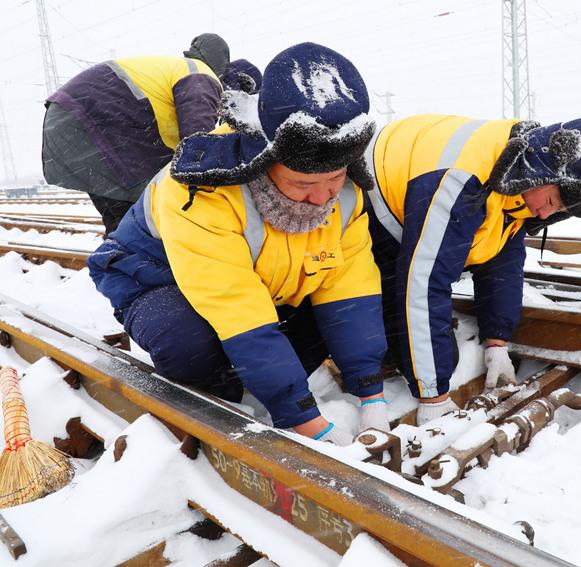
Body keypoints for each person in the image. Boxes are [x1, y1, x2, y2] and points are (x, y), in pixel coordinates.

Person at [87, 42, 387, 445]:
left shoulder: (346, 195)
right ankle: (224, 401)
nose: (322, 198)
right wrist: (311, 425)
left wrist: (372, 394)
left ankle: (257, 377)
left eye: (334, 179)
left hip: (257, 280)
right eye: (303, 184)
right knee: (188, 345)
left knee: (317, 331)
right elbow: (236, 305)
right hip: (157, 276)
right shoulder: (205, 189)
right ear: (265, 160)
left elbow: (350, 291)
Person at [363, 115, 581, 424]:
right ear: (543, 171)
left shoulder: (519, 177)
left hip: (422, 189)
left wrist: (496, 341)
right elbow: (424, 282)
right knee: (395, 328)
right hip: (374, 197)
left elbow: (502, 261)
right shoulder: (463, 182)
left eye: (559, 211)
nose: (545, 212)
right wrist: (433, 396)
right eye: (552, 200)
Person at [41, 33, 230, 233]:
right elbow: (197, 142)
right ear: (220, 66)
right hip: (92, 122)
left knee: (124, 217)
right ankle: (132, 257)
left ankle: (120, 257)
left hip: (69, 120)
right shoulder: (200, 73)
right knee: (141, 217)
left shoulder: (175, 72)